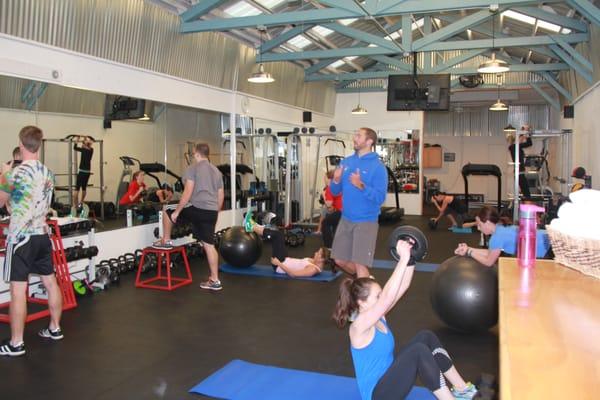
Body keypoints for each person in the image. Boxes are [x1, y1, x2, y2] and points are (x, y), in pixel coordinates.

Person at [333, 240, 478, 400]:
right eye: (377, 296)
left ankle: (462, 389)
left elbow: (402, 286)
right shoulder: (358, 327)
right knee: (418, 352)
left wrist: (410, 259)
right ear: (361, 302)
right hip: (377, 395)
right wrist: (402, 259)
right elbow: (387, 299)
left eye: (381, 294)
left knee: (426, 337)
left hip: (391, 380)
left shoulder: (379, 316)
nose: (381, 298)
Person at [0, 126, 63, 357]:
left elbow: (1, 202)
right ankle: (55, 328)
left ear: (21, 143)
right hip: (41, 236)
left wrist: (4, 174)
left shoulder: (15, 174)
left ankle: (16, 343)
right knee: (50, 282)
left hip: (21, 239)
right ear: (40, 144)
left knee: (18, 290)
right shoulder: (48, 173)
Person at [153, 143, 224, 291]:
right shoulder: (216, 171)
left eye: (193, 155)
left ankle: (166, 240)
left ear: (196, 154)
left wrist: (177, 212)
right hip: (211, 211)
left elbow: (188, 192)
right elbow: (221, 195)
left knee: (167, 210)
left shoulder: (193, 168)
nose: (193, 157)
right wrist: (215, 213)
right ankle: (215, 280)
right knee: (209, 245)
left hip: (197, 208)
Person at [329, 128, 387, 278]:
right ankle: (366, 280)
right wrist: (335, 180)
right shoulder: (346, 162)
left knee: (360, 264)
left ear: (369, 141)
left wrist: (361, 185)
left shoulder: (378, 167)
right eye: (355, 135)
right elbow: (335, 192)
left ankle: (366, 288)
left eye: (358, 136)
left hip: (366, 220)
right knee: (339, 260)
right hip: (346, 218)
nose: (354, 138)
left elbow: (380, 198)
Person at [454, 205, 551, 267]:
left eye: (479, 225)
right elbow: (490, 252)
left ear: (487, 222)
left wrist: (469, 252)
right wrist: (468, 249)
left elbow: (489, 261)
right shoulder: (500, 227)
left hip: (549, 247)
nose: (479, 229)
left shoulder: (497, 237)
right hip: (549, 238)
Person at [244, 212, 329, 277]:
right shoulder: (314, 262)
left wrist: (278, 263)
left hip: (280, 265)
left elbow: (293, 274)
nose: (315, 253)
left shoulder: (313, 269)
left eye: (318, 253)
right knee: (280, 234)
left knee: (277, 235)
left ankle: (251, 226)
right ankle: (254, 225)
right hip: (285, 259)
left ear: (322, 260)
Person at [508, 125, 533, 199]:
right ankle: (527, 204)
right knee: (526, 193)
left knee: (525, 191)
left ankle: (526, 202)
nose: (522, 139)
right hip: (519, 172)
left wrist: (525, 133)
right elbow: (529, 143)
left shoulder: (515, 147)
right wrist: (527, 133)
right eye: (521, 138)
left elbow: (528, 143)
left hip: (520, 171)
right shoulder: (514, 147)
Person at [321, 170, 343, 248]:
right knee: (334, 223)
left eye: (325, 178)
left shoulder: (330, 188)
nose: (324, 180)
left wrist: (324, 196)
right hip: (348, 212)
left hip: (342, 212)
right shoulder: (340, 186)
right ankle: (337, 247)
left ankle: (329, 247)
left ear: (330, 179)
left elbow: (329, 205)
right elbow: (331, 209)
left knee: (325, 223)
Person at [73, 135, 94, 206]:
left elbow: (75, 147)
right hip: (87, 172)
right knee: (84, 187)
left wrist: (78, 139)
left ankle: (75, 205)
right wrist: (84, 139)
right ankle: (81, 202)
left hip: (82, 171)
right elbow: (85, 145)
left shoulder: (84, 149)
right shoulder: (91, 150)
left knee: (77, 189)